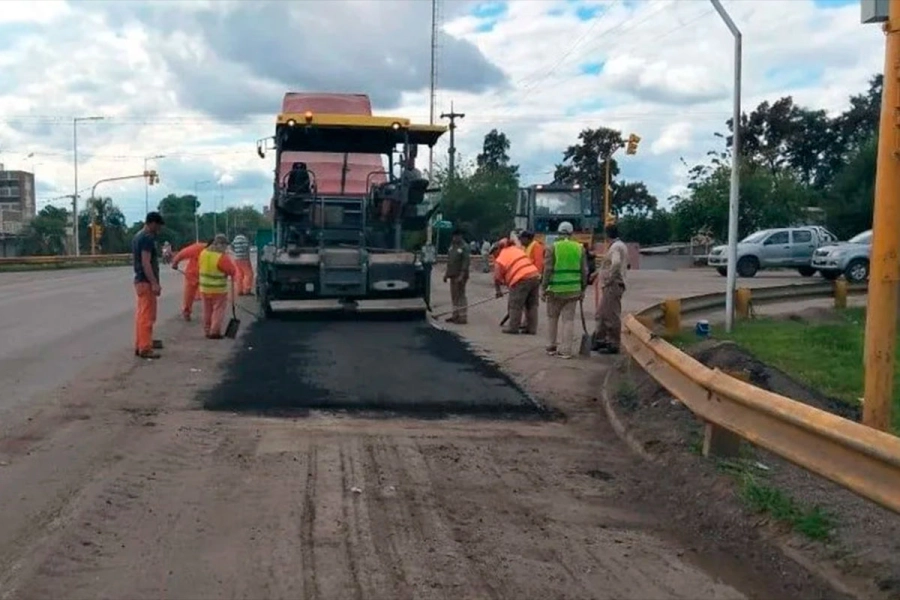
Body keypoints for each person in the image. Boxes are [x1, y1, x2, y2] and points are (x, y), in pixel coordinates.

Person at [542, 221, 588, 359]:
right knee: (568, 320)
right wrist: (583, 288)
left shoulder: (552, 248)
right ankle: (566, 351)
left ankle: (551, 346)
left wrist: (544, 288)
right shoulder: (579, 248)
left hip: (555, 290)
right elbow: (584, 271)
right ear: (571, 233)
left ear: (559, 232)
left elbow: (547, 270)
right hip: (573, 290)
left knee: (552, 317)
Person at [132, 212, 165, 359]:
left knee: (141, 315)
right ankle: (145, 347)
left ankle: (141, 344)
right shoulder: (147, 238)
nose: (159, 230)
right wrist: (154, 283)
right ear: (152, 223)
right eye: (158, 226)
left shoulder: (137, 236)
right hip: (146, 282)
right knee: (147, 316)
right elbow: (146, 262)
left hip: (139, 280)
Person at [593, 223, 629, 354]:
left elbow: (616, 263)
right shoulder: (619, 245)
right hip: (613, 284)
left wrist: (609, 279)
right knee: (602, 313)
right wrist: (597, 273)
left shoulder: (615, 247)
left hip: (613, 284)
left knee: (611, 314)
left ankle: (613, 343)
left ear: (606, 234)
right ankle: (601, 339)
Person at [492, 238, 541, 334]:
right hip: (534, 276)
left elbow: (497, 278)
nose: (494, 255)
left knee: (515, 305)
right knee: (531, 305)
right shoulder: (516, 250)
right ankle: (531, 329)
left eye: (494, 253)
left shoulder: (501, 257)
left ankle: (513, 327)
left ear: (498, 249)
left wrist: (498, 291)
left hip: (521, 279)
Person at [199, 234, 239, 339]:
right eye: (224, 246)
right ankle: (214, 332)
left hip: (204, 289)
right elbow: (232, 270)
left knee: (207, 310)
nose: (225, 249)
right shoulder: (221, 257)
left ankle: (207, 330)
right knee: (218, 311)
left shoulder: (203, 253)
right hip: (218, 289)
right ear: (218, 244)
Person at [171, 238, 211, 321]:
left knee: (209, 297)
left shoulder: (218, 253)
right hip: (192, 275)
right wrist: (175, 262)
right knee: (189, 295)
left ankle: (209, 316)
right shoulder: (198, 248)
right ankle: (186, 312)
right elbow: (182, 253)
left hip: (206, 277)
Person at [517, 231, 545, 332]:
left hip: (532, 278)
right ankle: (526, 322)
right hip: (526, 277)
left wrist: (538, 276)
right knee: (525, 303)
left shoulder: (536, 246)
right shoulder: (526, 247)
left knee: (531, 304)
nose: (520, 241)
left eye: (521, 239)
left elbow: (539, 262)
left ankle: (530, 325)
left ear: (527, 238)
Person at [443, 228, 470, 324]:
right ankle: (455, 315)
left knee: (461, 296)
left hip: (460, 275)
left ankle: (462, 316)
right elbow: (450, 261)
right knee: (454, 296)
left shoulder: (464, 247)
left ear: (460, 236)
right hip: (452, 275)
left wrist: (462, 275)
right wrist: (446, 274)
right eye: (453, 236)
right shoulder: (452, 246)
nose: (454, 238)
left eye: (456, 236)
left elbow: (466, 262)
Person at [231, 231, 254, 296]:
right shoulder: (244, 239)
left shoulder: (235, 239)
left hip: (236, 258)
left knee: (239, 274)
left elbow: (232, 247)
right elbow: (247, 248)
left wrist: (236, 252)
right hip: (244, 258)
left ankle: (239, 290)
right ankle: (247, 290)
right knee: (248, 274)